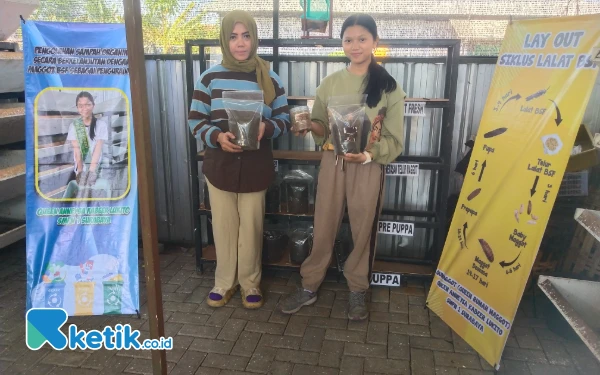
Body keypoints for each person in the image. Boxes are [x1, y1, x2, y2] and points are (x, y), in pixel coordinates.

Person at [278, 14, 406, 320]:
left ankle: (357, 288)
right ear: (342, 44)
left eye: (362, 39)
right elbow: (321, 126)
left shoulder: (389, 87)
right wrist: (309, 125)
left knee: (363, 228)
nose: (355, 45)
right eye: (349, 39)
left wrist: (367, 155)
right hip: (333, 162)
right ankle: (309, 284)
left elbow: (394, 139)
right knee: (323, 224)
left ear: (375, 42)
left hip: (367, 165)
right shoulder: (330, 82)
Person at [188, 10, 291, 309]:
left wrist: (266, 127)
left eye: (246, 35)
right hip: (220, 165)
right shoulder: (209, 78)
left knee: (251, 227)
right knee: (223, 226)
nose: (240, 43)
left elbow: (284, 118)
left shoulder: (269, 77)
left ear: (255, 38)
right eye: (233, 36)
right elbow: (196, 120)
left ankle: (250, 284)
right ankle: (224, 282)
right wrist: (217, 137)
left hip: (256, 165)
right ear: (224, 40)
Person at [63, 91, 111, 199]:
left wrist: (92, 171)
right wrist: (80, 171)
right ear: (77, 107)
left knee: (95, 194)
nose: (84, 108)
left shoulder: (101, 125)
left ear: (93, 105)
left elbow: (98, 149)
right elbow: (77, 151)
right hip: (81, 166)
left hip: (97, 165)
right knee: (81, 194)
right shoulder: (74, 126)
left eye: (88, 104)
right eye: (81, 105)